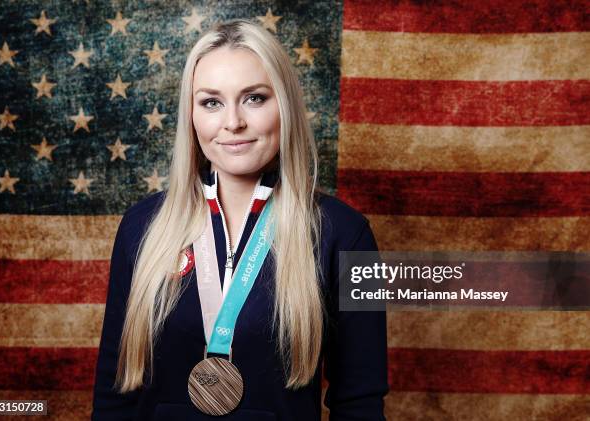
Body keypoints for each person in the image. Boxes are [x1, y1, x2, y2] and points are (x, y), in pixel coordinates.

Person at [91, 19, 388, 420]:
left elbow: (360, 405)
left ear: (284, 105)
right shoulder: (142, 226)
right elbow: (115, 393)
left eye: (254, 98)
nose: (233, 122)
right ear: (192, 115)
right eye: (211, 102)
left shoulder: (347, 235)